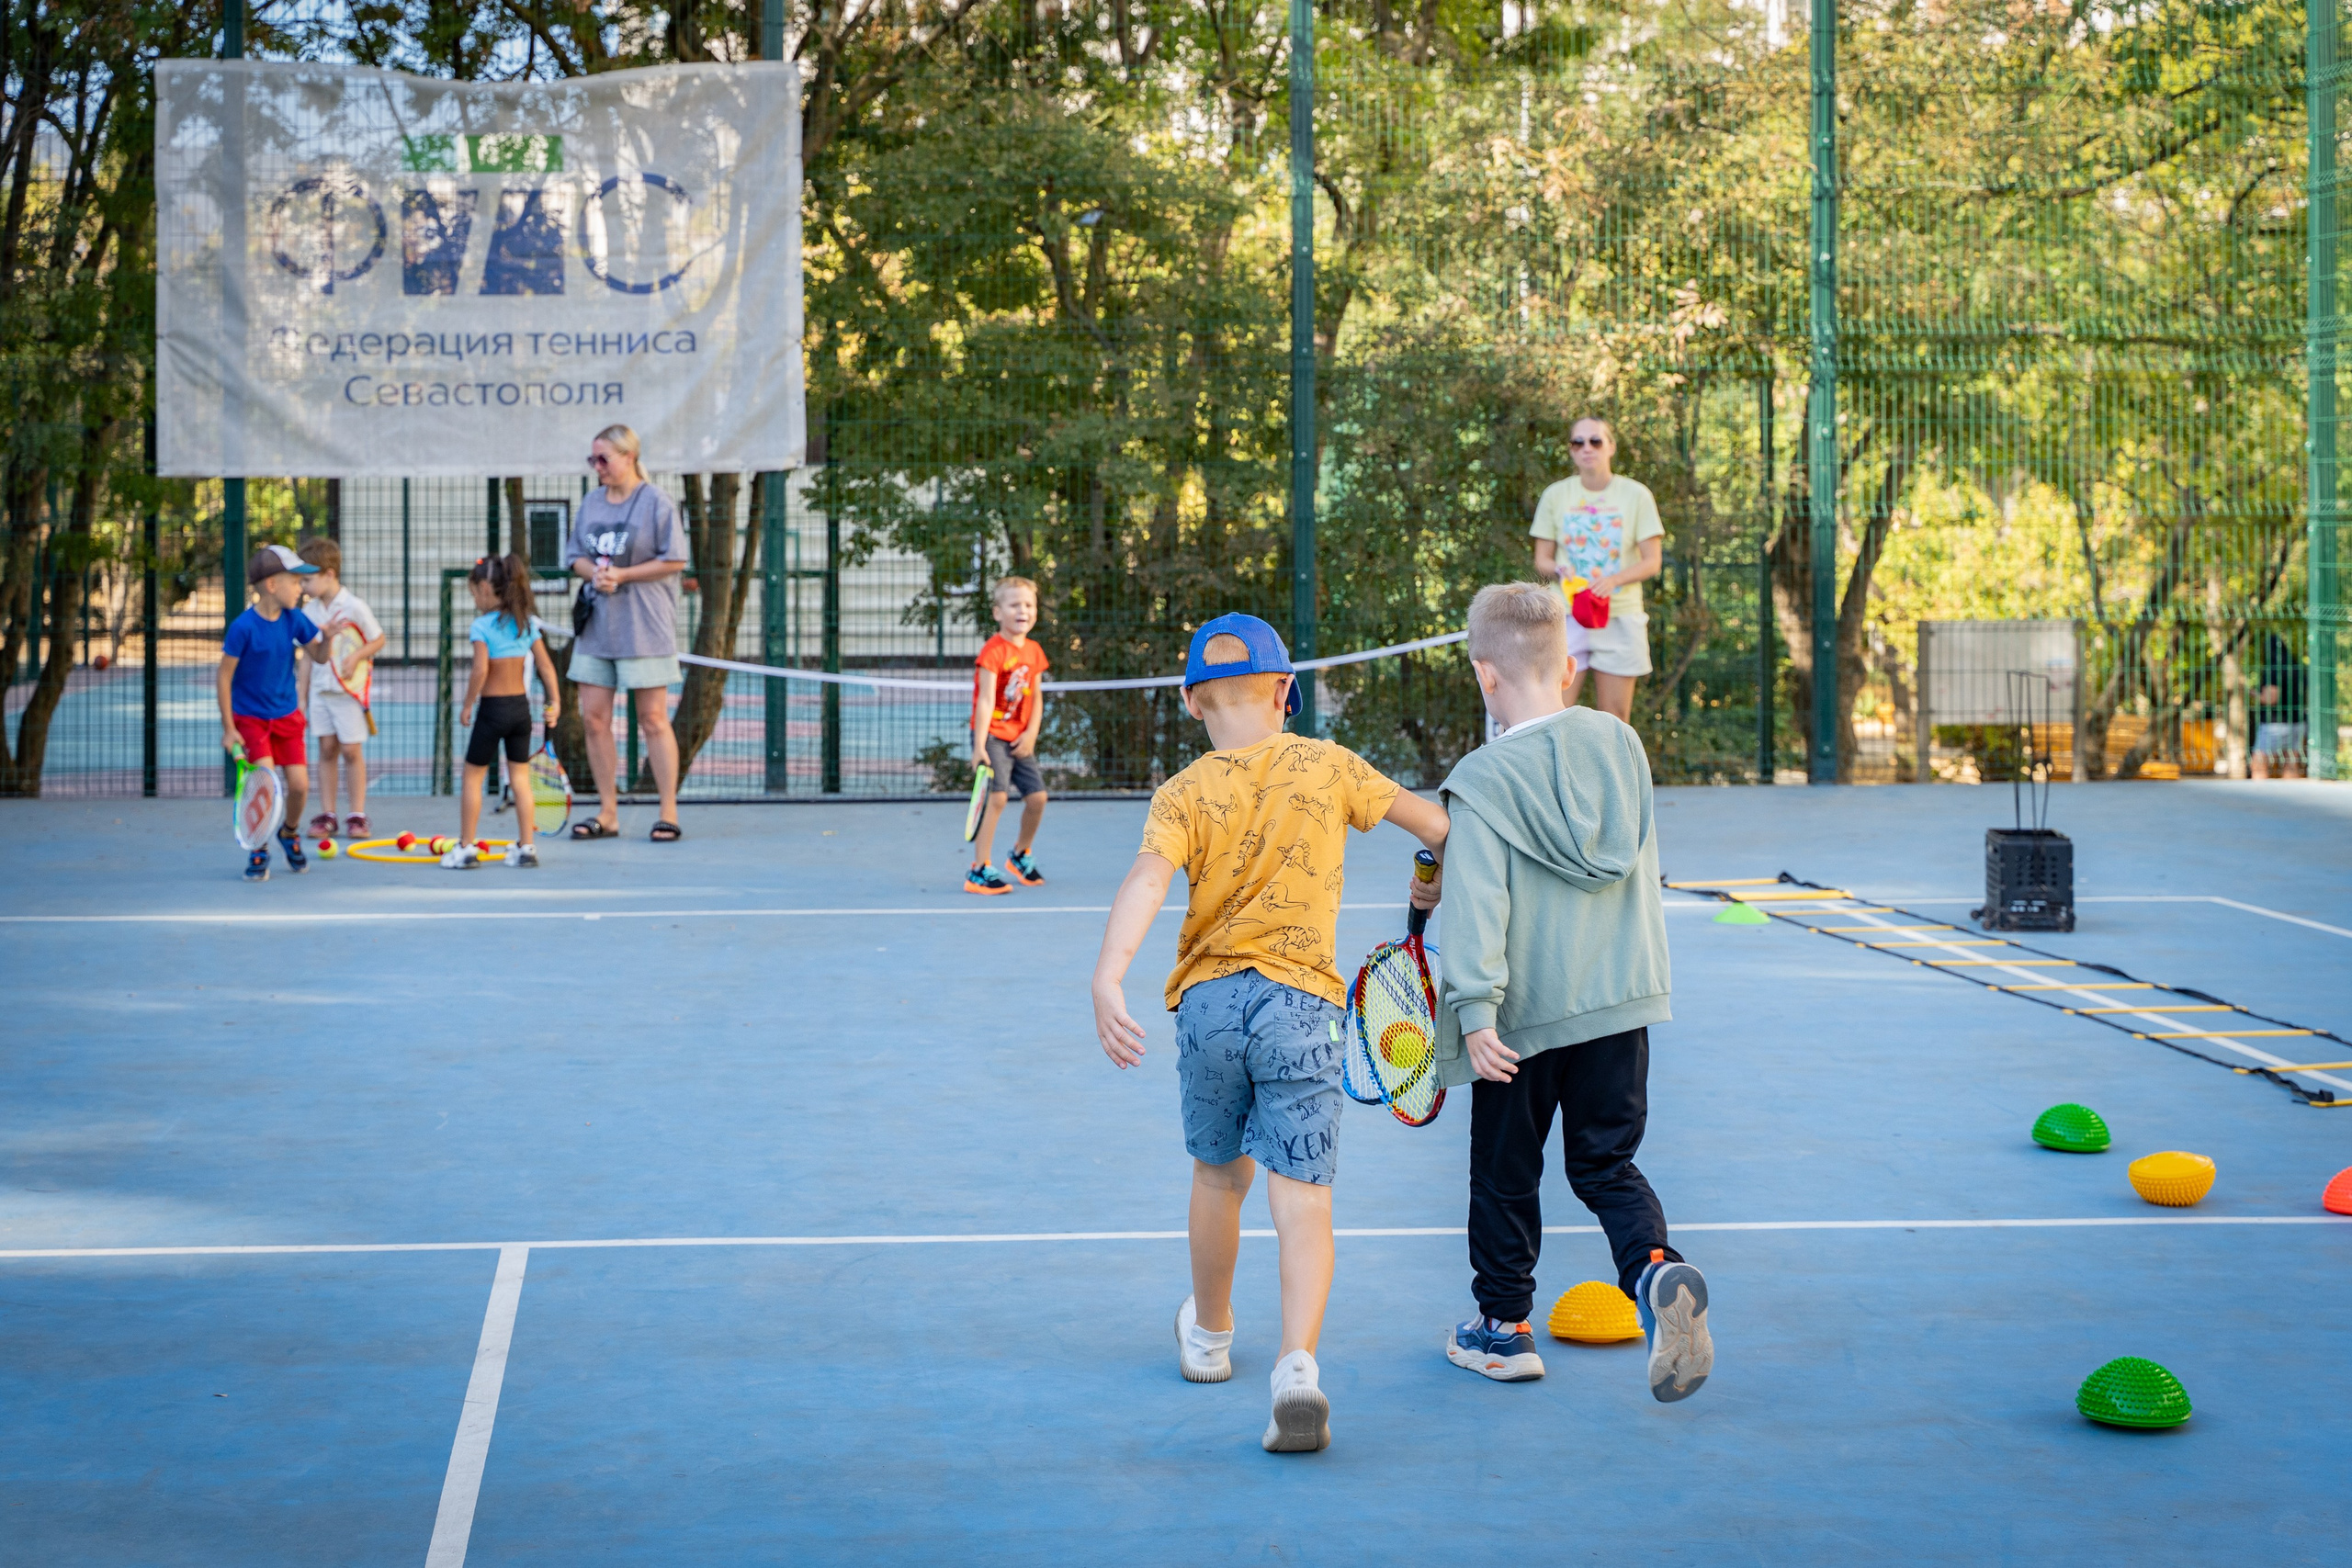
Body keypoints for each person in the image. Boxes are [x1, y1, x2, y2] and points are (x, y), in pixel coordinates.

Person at [1091, 614, 1450, 1453]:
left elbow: (1147, 879)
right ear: (1287, 690)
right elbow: (1436, 826)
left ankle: (1210, 1333)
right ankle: (1297, 1365)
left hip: (1210, 1008)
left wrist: (1108, 975)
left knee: (1220, 1178)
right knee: (1304, 1198)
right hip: (1301, 1007)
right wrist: (1428, 873)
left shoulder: (1180, 792)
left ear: (1190, 703)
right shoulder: (1329, 765)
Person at [1413, 581, 1710, 1403]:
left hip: (1521, 1020)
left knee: (1504, 1174)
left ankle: (1503, 1329)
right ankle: (1655, 1272)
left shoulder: (1479, 781)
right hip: (1622, 1005)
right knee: (1608, 1164)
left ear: (1484, 674)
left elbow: (1479, 910)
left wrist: (1474, 1014)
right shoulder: (1624, 748)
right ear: (1570, 668)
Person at [564, 423, 688, 841]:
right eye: (592, 459)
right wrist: (595, 574)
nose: (597, 467)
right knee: (595, 719)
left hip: (645, 628)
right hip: (598, 629)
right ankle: (608, 812)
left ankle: (667, 811)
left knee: (653, 718)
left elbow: (674, 560)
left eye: (605, 459)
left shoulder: (656, 502)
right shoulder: (591, 503)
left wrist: (624, 574)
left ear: (629, 457)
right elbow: (575, 557)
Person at [1529, 417, 1664, 723]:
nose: (1586, 448)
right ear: (1571, 451)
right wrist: (1559, 569)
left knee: (1615, 718)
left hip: (1619, 616)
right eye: (1578, 442)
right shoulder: (1555, 495)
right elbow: (1542, 560)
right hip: (1567, 616)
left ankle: (1611, 773)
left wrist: (1614, 580)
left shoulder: (1636, 495)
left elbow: (1651, 561)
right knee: (1553, 716)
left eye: (1595, 441)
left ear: (1611, 447)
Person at [447, 555, 561, 870]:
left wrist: (469, 703)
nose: (474, 600)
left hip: (492, 710)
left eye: (474, 593)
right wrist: (556, 701)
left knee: (473, 777)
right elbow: (546, 666)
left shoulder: (482, 626)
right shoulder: (525, 623)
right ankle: (527, 847)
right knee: (520, 779)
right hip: (520, 711)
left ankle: (466, 847)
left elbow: (480, 669)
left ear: (485, 588)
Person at [217, 545, 322, 882]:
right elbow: (224, 676)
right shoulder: (243, 628)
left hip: (287, 717)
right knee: (264, 781)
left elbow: (318, 655)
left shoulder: (294, 619)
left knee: (300, 786)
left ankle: (288, 832)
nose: (301, 588)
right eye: (295, 582)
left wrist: (330, 638)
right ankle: (259, 843)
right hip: (252, 720)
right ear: (272, 586)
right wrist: (229, 728)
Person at [965, 576, 1050, 895]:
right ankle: (979, 868)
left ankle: (1019, 854)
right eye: (1015, 605)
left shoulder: (1034, 651)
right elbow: (985, 700)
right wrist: (978, 746)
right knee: (997, 797)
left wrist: (1031, 734)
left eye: (1028, 605)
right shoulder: (993, 651)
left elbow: (1037, 698)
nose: (1023, 611)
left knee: (1038, 798)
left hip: (1020, 736)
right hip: (993, 735)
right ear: (998, 612)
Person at [296, 537, 386, 840]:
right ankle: (328, 814)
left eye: (307, 579)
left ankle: (357, 815)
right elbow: (307, 658)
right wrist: (302, 697)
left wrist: (357, 656)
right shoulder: (308, 613)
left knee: (351, 750)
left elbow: (378, 639)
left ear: (329, 574)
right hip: (321, 692)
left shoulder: (354, 606)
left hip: (348, 693)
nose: (303, 586)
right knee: (327, 749)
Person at [2251, 630, 2308, 780]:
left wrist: (2253, 693)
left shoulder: (2273, 670)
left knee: (2259, 762)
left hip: (2274, 723)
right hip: (2297, 722)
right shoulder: (2297, 668)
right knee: (2291, 762)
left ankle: (2259, 797)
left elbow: (2271, 698)